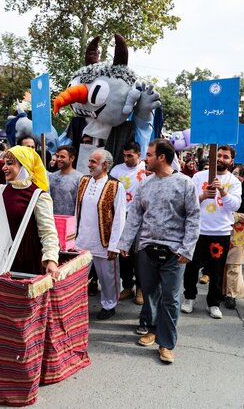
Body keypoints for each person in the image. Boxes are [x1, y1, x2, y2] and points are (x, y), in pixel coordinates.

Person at [117, 138, 200, 364]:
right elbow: (135, 217)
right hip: (146, 249)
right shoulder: (144, 184)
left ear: (161, 157)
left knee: (171, 299)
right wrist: (125, 243)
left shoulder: (185, 183)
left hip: (174, 252)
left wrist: (187, 248)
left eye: (150, 155)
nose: (146, 159)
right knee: (150, 293)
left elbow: (193, 218)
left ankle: (166, 344)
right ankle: (152, 330)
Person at [181, 145, 241, 319]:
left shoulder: (234, 182)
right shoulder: (199, 177)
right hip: (198, 231)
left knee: (216, 271)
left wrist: (222, 191)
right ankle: (189, 297)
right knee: (191, 267)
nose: (221, 159)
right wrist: (201, 196)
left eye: (225, 157)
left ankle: (213, 303)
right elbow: (186, 202)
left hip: (220, 233)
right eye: (219, 155)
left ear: (231, 161)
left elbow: (235, 206)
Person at [76, 149, 126, 320]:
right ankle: (75, 307)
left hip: (104, 241)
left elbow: (119, 217)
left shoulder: (116, 186)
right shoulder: (83, 181)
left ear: (104, 165)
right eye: (89, 161)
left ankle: (109, 305)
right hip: (82, 240)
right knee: (78, 278)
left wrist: (115, 245)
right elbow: (77, 211)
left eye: (93, 162)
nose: (89, 165)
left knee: (107, 278)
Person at [0, 146, 59, 275]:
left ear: (24, 166)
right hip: (1, 259)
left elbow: (48, 232)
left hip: (27, 259)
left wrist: (51, 260)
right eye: (4, 163)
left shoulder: (39, 196)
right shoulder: (1, 191)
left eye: (9, 163)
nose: (4, 167)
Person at [109, 141, 147, 305]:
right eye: (124, 155)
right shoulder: (117, 170)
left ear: (139, 154)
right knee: (124, 253)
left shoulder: (147, 169)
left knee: (140, 254)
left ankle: (141, 288)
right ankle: (127, 286)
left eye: (130, 155)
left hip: (142, 217)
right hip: (122, 216)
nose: (126, 159)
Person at [223, 165, 244, 309]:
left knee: (234, 265)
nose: (237, 177)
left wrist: (235, 216)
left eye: (240, 175)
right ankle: (221, 291)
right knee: (222, 264)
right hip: (223, 231)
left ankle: (232, 295)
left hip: (239, 232)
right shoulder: (223, 191)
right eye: (234, 173)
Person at [49, 145, 83, 216]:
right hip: (52, 221)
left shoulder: (80, 178)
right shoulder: (51, 177)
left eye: (62, 157)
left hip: (70, 222)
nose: (58, 159)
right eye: (58, 156)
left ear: (72, 158)